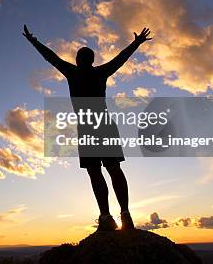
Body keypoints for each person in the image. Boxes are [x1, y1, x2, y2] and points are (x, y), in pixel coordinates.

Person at [23, 25, 152, 231]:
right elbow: (121, 58)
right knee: (114, 169)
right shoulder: (100, 72)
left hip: (88, 129)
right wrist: (136, 43)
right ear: (92, 60)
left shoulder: (72, 73)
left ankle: (106, 216)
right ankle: (123, 214)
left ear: (78, 60)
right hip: (105, 125)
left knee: (96, 171)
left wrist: (34, 41)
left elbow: (51, 57)